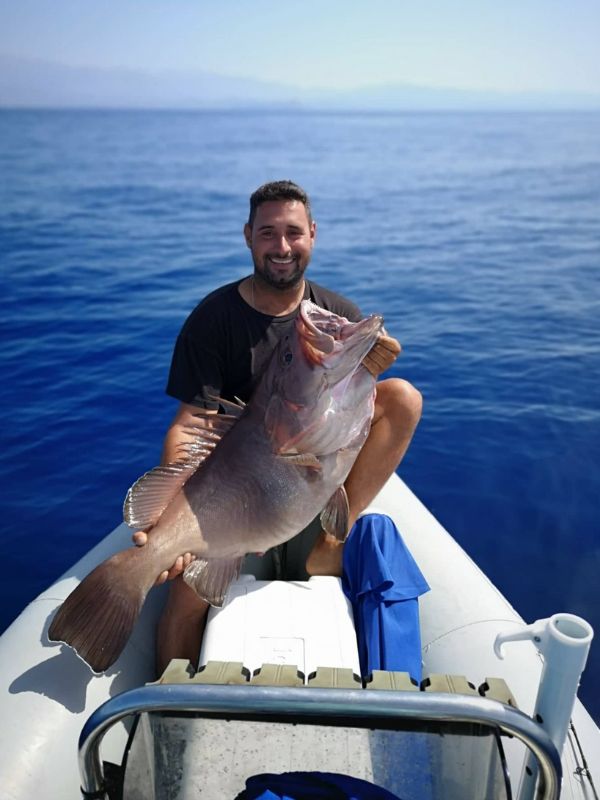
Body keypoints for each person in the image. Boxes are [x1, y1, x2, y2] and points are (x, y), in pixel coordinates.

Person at [133, 180, 423, 675]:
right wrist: (165, 519)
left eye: (293, 232)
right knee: (185, 604)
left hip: (310, 477)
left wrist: (371, 366)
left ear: (313, 235)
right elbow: (192, 424)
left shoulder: (337, 315)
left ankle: (331, 542)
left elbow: (355, 412)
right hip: (238, 494)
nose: (282, 246)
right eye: (268, 233)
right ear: (248, 236)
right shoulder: (213, 319)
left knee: (403, 397)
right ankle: (168, 703)